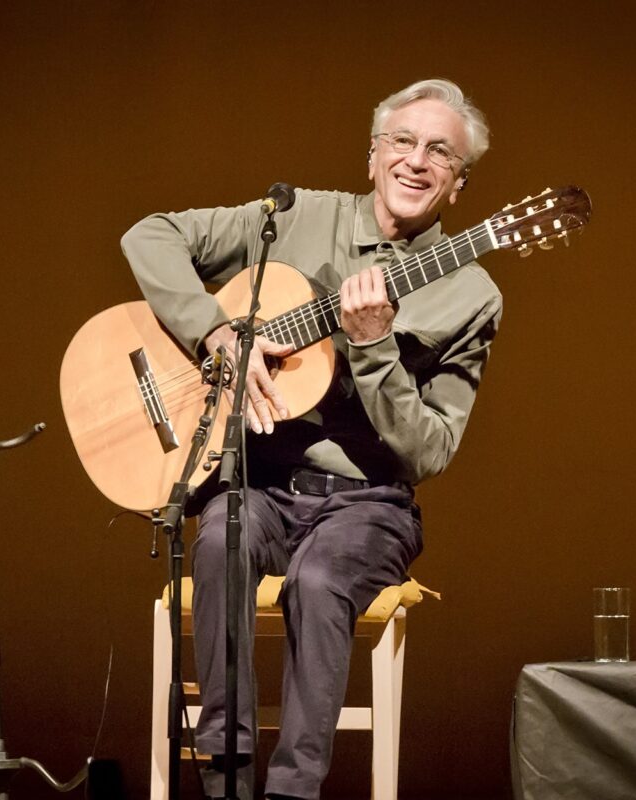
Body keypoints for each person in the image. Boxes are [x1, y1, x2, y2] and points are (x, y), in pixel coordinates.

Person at [121, 78, 501, 800]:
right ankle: (225, 777)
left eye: (440, 152)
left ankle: (293, 790)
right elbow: (149, 235)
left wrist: (375, 347)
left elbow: (429, 451)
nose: (416, 161)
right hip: (261, 481)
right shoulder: (296, 218)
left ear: (458, 184)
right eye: (402, 141)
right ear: (372, 155)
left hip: (368, 504)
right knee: (219, 540)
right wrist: (217, 333)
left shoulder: (471, 295)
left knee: (319, 580)